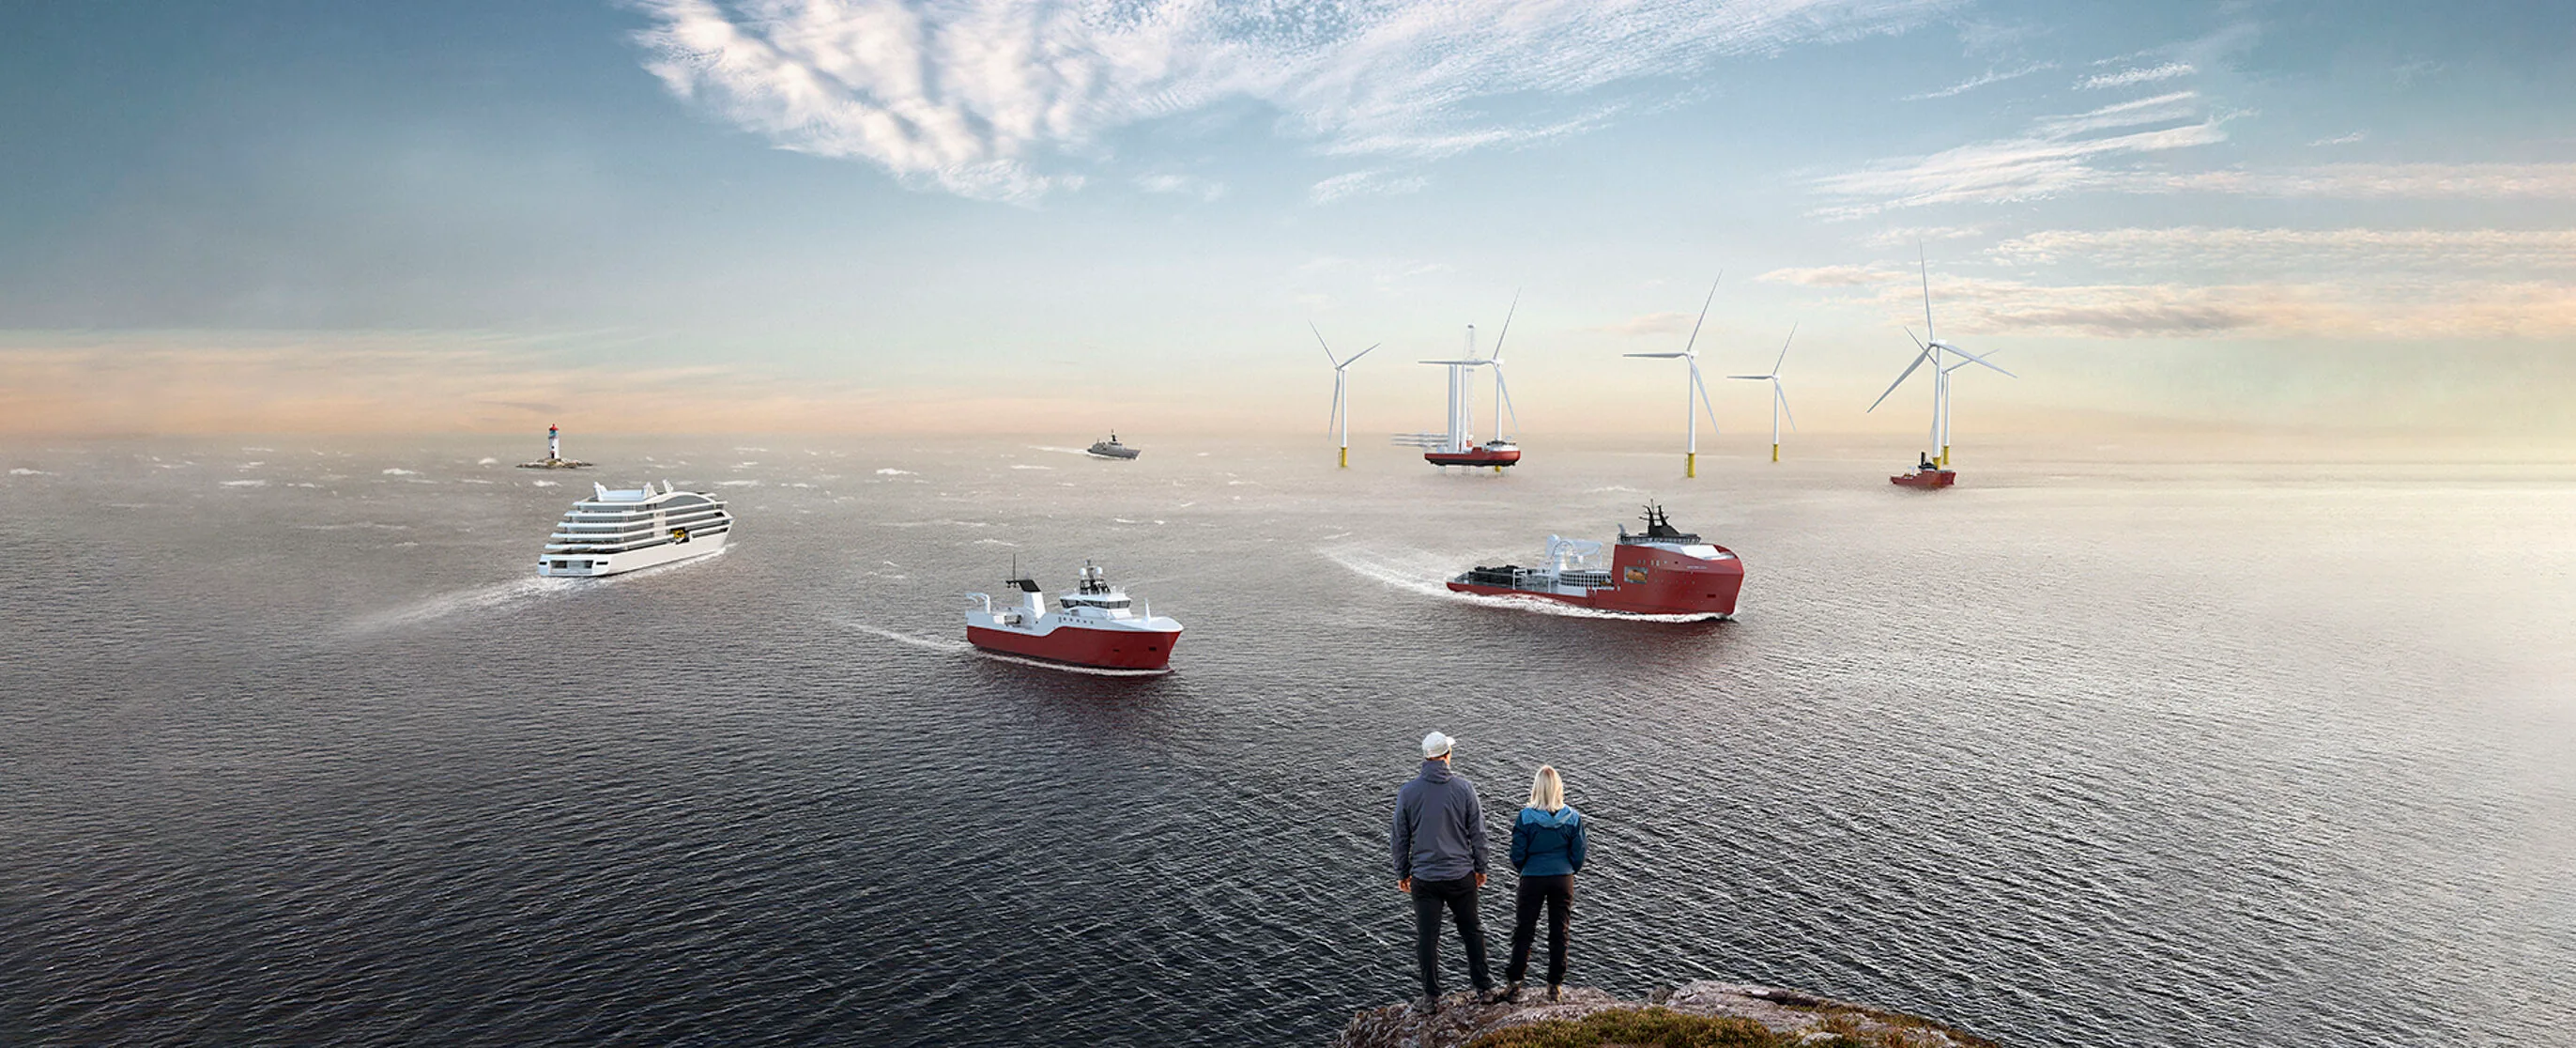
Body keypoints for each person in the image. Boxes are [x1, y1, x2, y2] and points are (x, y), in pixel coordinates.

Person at [1390, 731, 1495, 1011]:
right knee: (1472, 931)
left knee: (1427, 937)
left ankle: (1431, 997)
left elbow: (1400, 837)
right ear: (1447, 756)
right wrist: (1481, 867)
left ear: (1426, 757)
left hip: (1424, 878)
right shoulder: (1464, 789)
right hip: (1461, 875)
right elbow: (1478, 833)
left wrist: (1402, 873)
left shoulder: (1408, 792)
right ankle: (1484, 990)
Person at [1502, 764, 1587, 1002]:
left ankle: (1515, 983)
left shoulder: (1525, 817)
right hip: (1563, 879)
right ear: (1559, 788)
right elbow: (1579, 853)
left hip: (1532, 878)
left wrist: (1527, 868)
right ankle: (1554, 985)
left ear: (1536, 789)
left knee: (1524, 932)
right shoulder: (1573, 817)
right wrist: (1568, 870)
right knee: (1559, 932)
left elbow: (1517, 854)